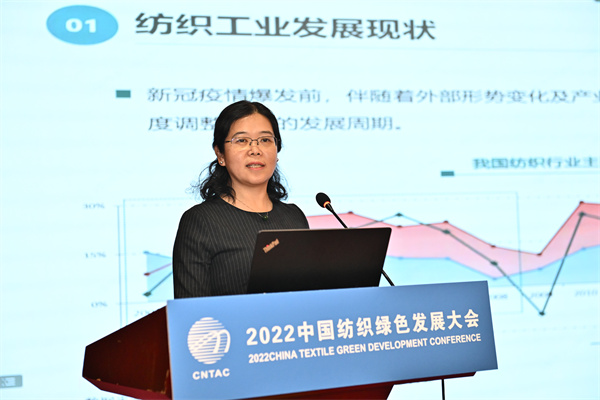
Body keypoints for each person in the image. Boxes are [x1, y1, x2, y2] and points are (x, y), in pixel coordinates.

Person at [173, 101, 309, 298]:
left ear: (277, 150)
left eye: (265, 140)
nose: (255, 150)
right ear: (220, 154)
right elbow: (191, 310)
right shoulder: (201, 221)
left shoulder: (294, 217)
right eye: (242, 140)